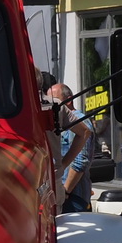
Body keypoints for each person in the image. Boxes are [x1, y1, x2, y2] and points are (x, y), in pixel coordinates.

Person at [47, 84, 94, 213]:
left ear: (69, 100)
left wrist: (66, 191)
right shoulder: (56, 121)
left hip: (73, 197)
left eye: (55, 100)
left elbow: (80, 161)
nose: (50, 105)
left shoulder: (78, 120)